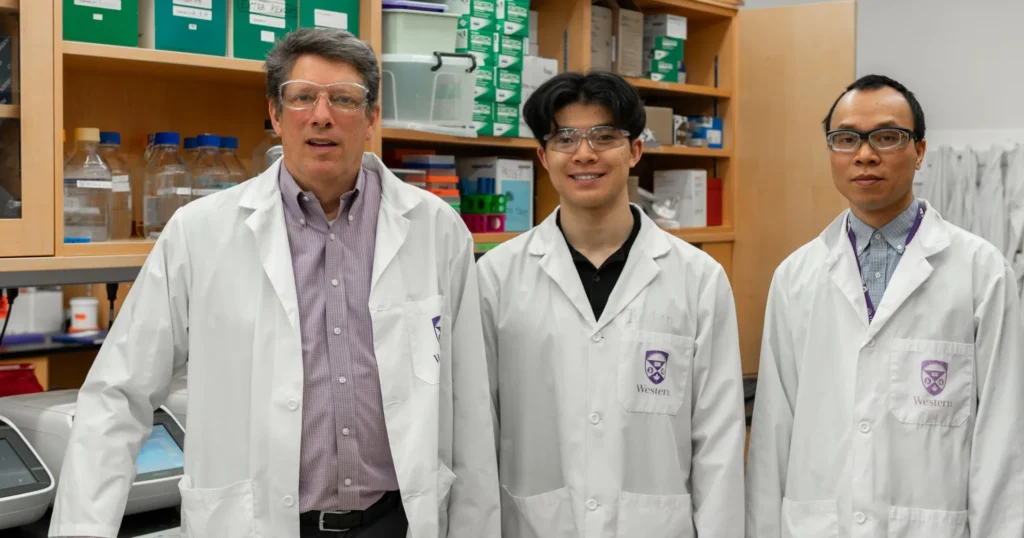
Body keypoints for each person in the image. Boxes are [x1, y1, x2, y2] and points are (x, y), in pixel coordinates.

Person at [49, 28, 500, 538]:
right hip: (253, 523)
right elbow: (118, 395)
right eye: (302, 96)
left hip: (395, 521)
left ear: (373, 117)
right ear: (274, 113)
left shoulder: (437, 230)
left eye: (345, 99)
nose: (322, 115)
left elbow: (470, 410)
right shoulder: (202, 232)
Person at [745, 74, 1024, 537]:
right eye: (846, 138)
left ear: (919, 151)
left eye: (888, 137)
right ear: (832, 152)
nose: (865, 154)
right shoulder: (795, 277)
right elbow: (773, 435)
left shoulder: (981, 271)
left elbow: (1002, 434)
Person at [477, 70, 747, 538]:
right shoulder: (496, 278)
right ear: (543, 156)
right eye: (565, 138)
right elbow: (479, 429)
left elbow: (719, 440)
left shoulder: (698, 278)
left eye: (604, 136)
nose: (585, 153)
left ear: (635, 151)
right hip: (535, 524)